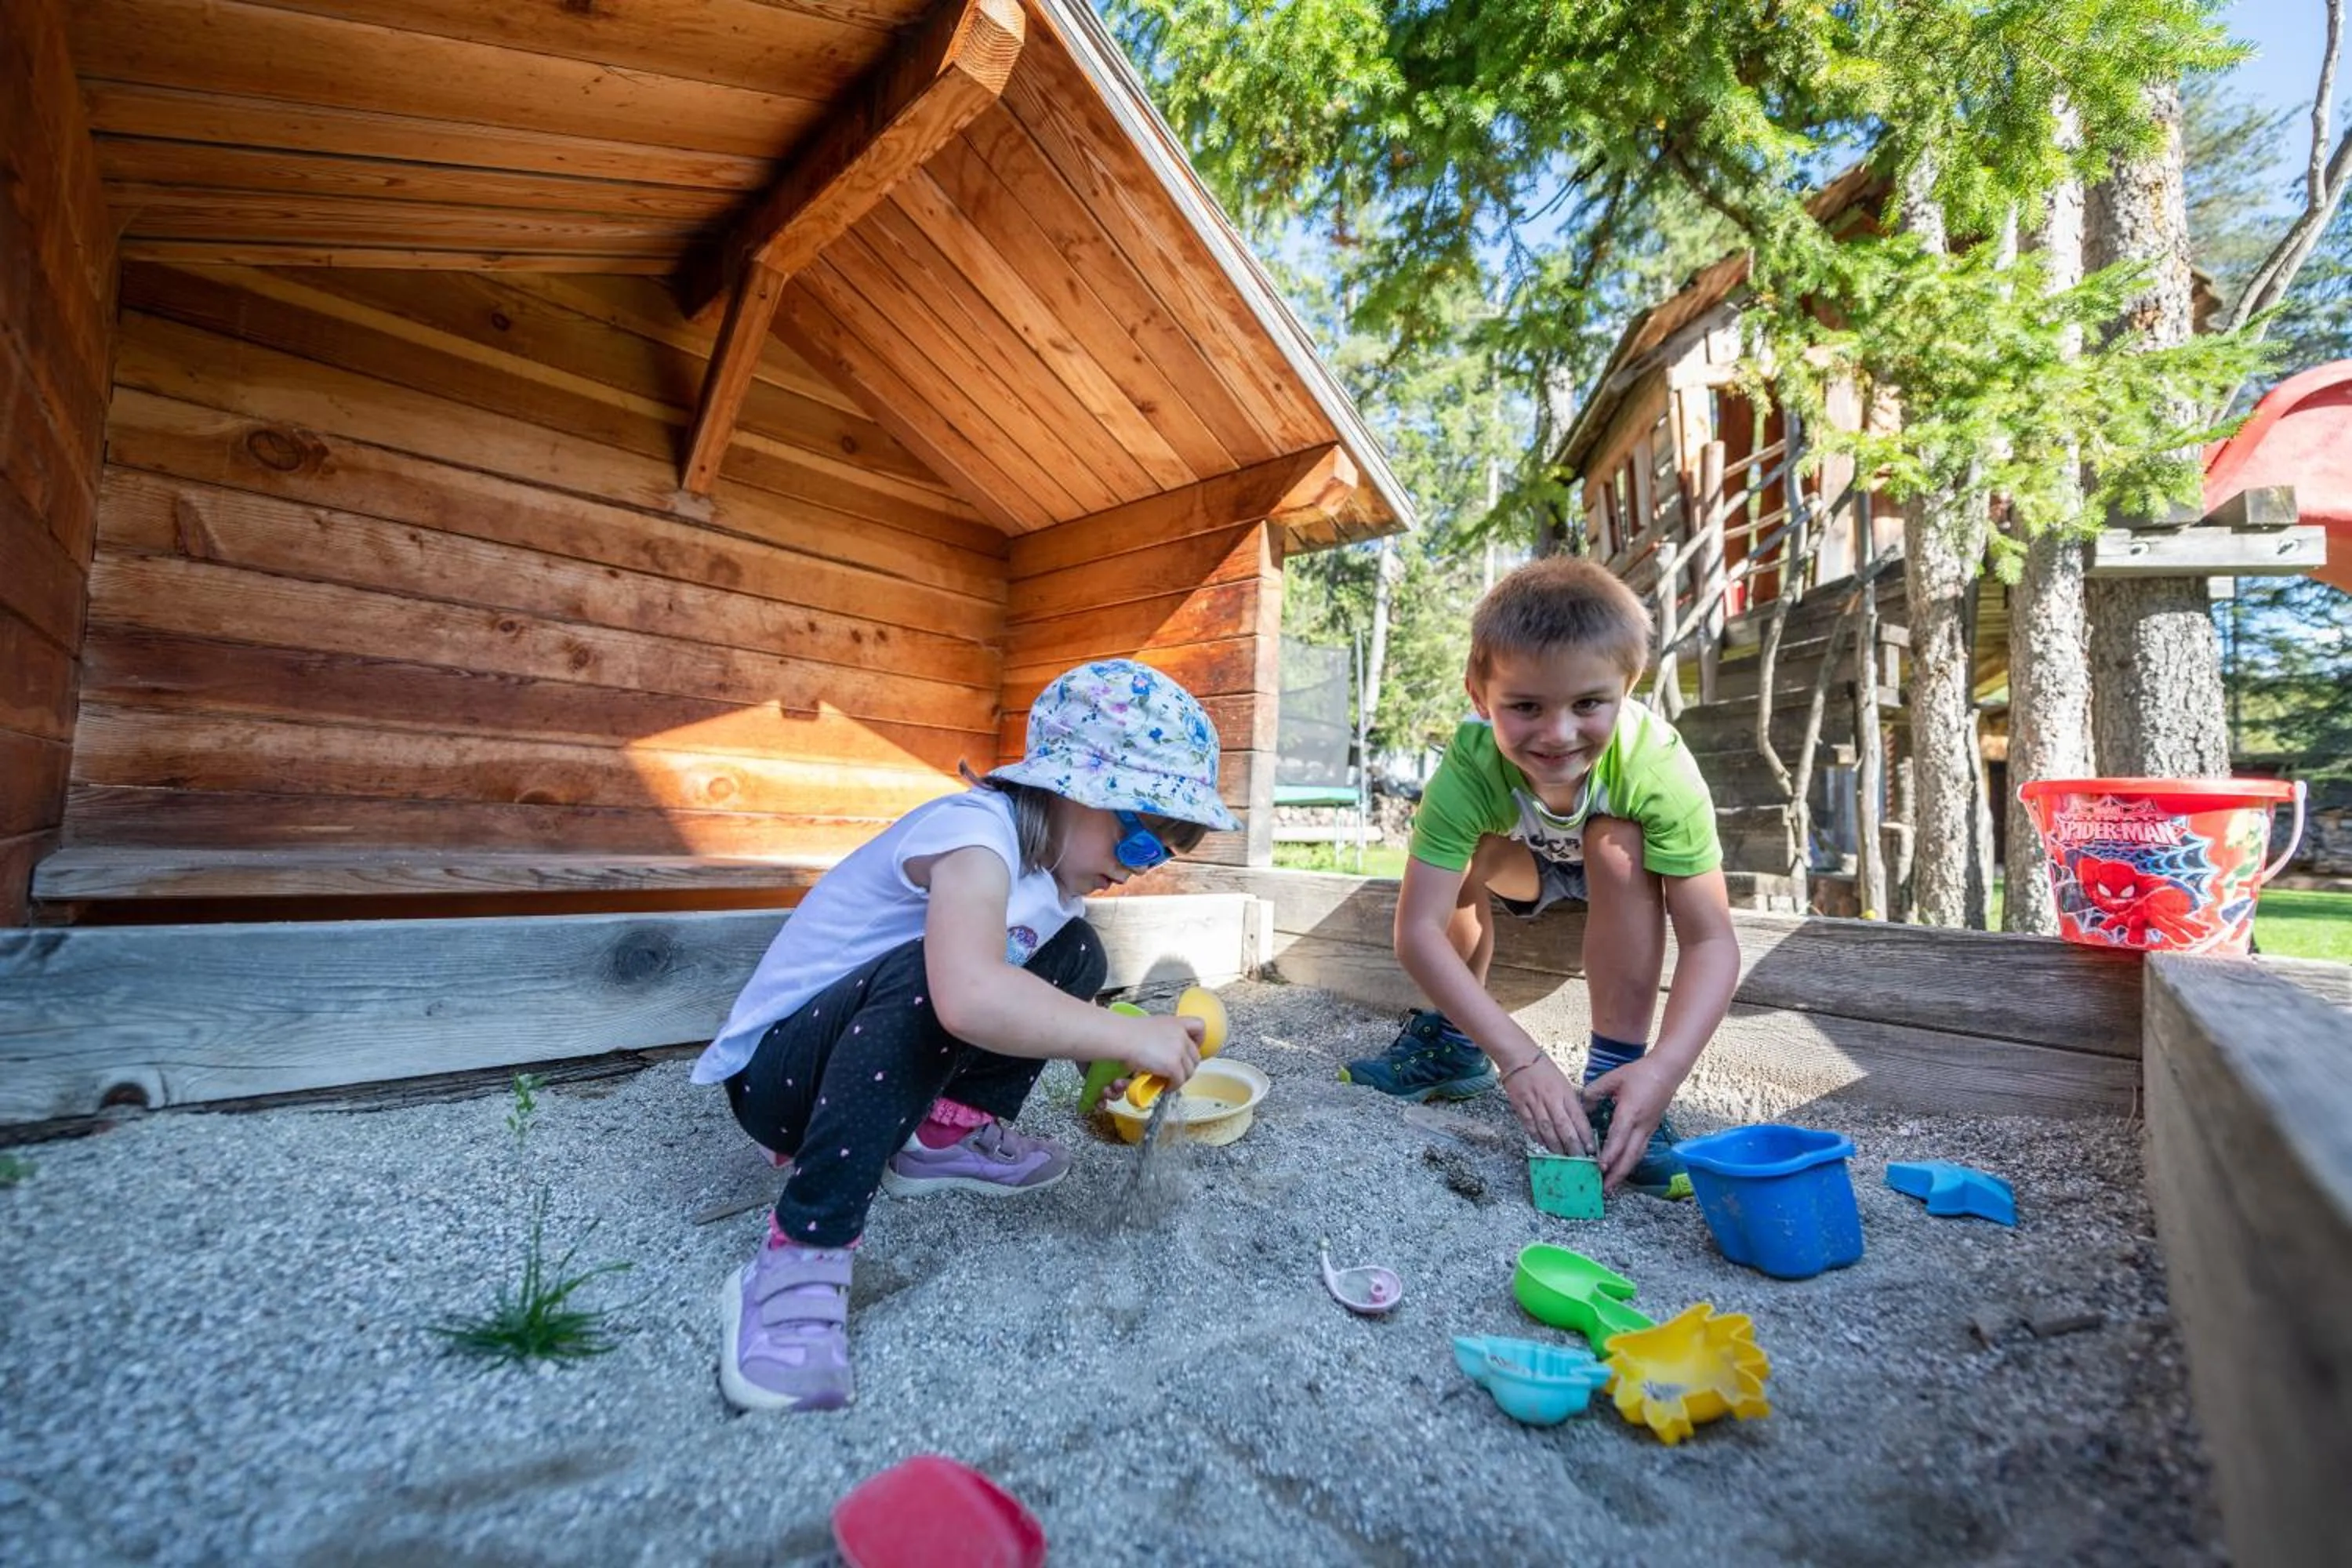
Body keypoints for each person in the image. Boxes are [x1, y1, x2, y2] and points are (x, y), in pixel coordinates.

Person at [695, 659, 1236, 1413]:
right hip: (778, 1079)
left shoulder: (1047, 889)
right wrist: (1121, 1032)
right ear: (1072, 787)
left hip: (865, 1068)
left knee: (1077, 957)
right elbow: (967, 996)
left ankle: (942, 1138)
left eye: (1159, 857)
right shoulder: (973, 835)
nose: (1138, 869)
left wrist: (1108, 1046)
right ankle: (801, 1253)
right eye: (1142, 841)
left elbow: (1019, 1000)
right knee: (945, 977)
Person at [1341, 557, 1740, 1199]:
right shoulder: (1470, 765)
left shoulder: (1655, 764)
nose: (1557, 735)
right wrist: (1517, 1056)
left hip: (1620, 879)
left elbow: (1712, 941)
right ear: (1480, 696)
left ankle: (1617, 1079)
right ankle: (1453, 1041)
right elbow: (1418, 928)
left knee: (1616, 839)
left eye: (1588, 703)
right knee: (1461, 851)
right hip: (1523, 872)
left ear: (1628, 685)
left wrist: (1663, 1071)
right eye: (1525, 706)